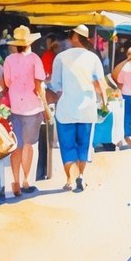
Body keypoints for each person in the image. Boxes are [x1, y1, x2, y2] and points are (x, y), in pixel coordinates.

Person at [47, 25, 106, 192]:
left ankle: (70, 179)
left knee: (67, 147)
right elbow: (101, 84)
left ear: (74, 37)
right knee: (83, 145)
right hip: (87, 109)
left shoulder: (61, 57)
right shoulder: (93, 58)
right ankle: (81, 175)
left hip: (65, 109)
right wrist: (104, 103)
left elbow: (55, 85)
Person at [1, 25, 47, 197]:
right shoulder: (35, 59)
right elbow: (39, 85)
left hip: (15, 107)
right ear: (29, 43)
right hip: (32, 107)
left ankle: (16, 181)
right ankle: (26, 180)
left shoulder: (9, 60)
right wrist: (45, 106)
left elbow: (6, 83)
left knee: (17, 146)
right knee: (28, 145)